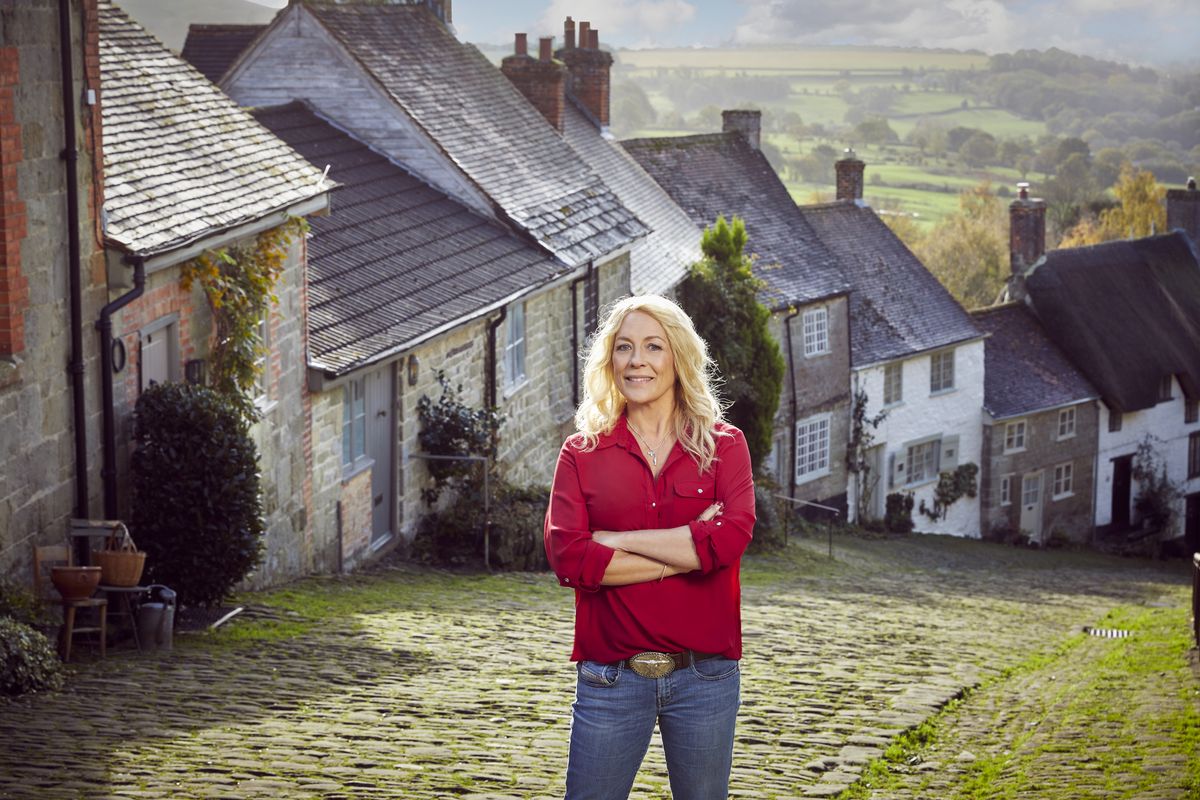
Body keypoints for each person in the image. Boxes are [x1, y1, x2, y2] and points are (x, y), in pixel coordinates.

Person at [544, 295, 756, 800]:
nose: (637, 360)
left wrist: (614, 542)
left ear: (678, 358)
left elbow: (729, 540)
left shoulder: (725, 446)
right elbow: (571, 558)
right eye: (624, 348)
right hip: (609, 679)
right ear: (609, 361)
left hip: (706, 676)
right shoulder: (581, 453)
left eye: (653, 346)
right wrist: (686, 551)